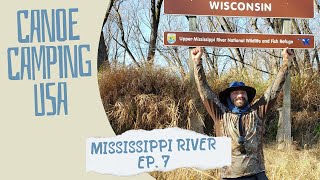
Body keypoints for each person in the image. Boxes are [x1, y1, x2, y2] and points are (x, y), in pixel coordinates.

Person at [191, 47, 294, 180]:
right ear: (229, 97)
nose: (240, 95)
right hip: (229, 176)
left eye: (243, 92)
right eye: (235, 92)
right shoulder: (221, 115)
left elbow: (273, 91)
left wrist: (286, 62)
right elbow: (204, 91)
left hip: (257, 174)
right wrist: (197, 62)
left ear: (247, 96)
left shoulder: (257, 112)